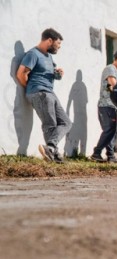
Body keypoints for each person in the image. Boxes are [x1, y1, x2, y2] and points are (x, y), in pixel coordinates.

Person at [16, 28, 72, 163]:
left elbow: (48, 73)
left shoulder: (48, 56)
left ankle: (51, 148)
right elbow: (21, 73)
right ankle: (54, 154)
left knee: (66, 122)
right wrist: (31, 88)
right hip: (39, 92)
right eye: (58, 44)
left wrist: (57, 73)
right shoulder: (33, 54)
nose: (59, 47)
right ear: (49, 41)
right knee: (50, 124)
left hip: (50, 92)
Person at [91, 50, 117, 163]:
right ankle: (96, 153)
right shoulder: (110, 69)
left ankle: (110, 156)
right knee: (109, 130)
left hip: (112, 106)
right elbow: (114, 85)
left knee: (113, 131)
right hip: (105, 105)